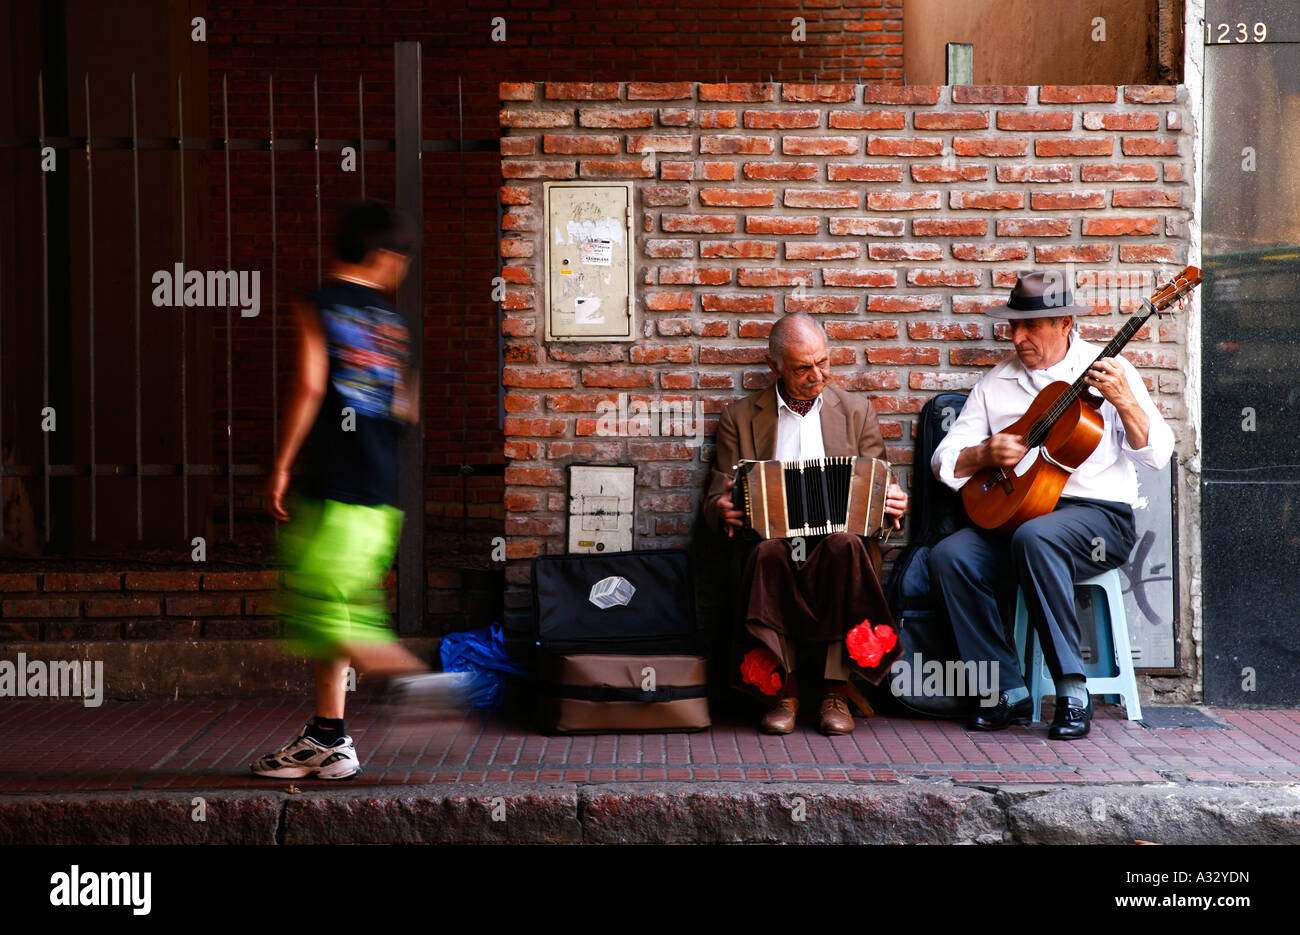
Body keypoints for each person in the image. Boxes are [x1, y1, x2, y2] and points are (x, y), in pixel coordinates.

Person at [250, 200, 468, 781]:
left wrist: (281, 465)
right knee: (343, 608)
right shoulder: (395, 326)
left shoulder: (318, 304)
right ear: (383, 256)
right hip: (379, 493)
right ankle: (328, 737)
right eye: (403, 259)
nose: (403, 270)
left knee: (322, 611)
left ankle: (418, 685)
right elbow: (406, 406)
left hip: (332, 486)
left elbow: (308, 384)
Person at [928, 270, 1174, 740]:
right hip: (1020, 516)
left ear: (1065, 323)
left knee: (1036, 537)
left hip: (1098, 519)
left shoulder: (1109, 372)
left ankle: (1071, 690)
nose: (1018, 338)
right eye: (1012, 327)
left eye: (1031, 327)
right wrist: (983, 453)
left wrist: (1126, 404)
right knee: (950, 555)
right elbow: (945, 459)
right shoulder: (995, 385)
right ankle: (1004, 691)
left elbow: (1158, 455)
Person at [705, 312, 908, 735]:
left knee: (846, 545)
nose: (818, 375)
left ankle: (836, 689)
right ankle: (786, 690)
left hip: (836, 545)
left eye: (823, 362)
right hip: (772, 545)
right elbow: (714, 496)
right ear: (774, 366)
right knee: (767, 550)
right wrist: (719, 509)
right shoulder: (739, 417)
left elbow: (882, 486)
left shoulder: (856, 411)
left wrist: (894, 503)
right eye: (803, 368)